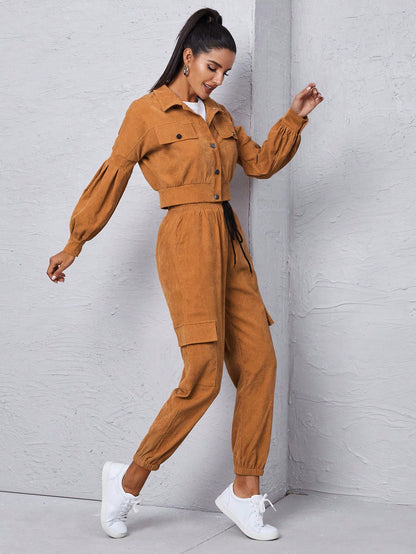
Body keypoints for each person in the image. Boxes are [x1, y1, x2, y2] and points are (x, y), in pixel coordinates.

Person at [46, 7, 323, 542]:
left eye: (225, 73)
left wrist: (294, 118)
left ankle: (244, 491)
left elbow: (260, 164)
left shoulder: (220, 118)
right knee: (203, 377)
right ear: (188, 57)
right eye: (212, 68)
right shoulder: (146, 112)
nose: (217, 80)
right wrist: (75, 241)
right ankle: (128, 480)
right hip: (186, 243)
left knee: (260, 362)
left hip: (229, 242)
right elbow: (112, 177)